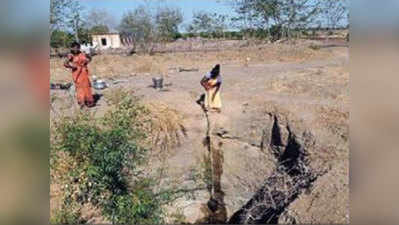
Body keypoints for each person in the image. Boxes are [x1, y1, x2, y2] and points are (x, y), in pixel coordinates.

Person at [64, 41, 95, 108]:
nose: (75, 49)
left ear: (79, 48)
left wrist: (86, 63)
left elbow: (90, 58)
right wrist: (72, 67)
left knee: (87, 86)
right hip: (76, 73)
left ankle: (89, 101)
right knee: (79, 87)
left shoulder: (82, 53)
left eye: (77, 48)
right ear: (71, 48)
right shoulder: (70, 55)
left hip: (84, 72)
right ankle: (81, 102)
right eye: (74, 48)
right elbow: (65, 64)